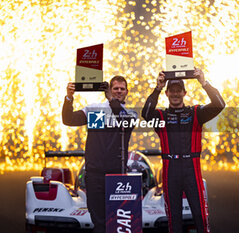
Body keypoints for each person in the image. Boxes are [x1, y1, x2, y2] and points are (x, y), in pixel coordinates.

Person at [141, 68, 225, 233]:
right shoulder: (160, 117)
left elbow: (220, 104)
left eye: (178, 91)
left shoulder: (195, 113)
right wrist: (157, 88)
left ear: (184, 92)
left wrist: (203, 82)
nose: (175, 94)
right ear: (167, 93)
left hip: (191, 167)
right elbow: (145, 113)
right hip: (170, 169)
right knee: (174, 218)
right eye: (172, 91)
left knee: (200, 216)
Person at [62, 76, 137, 233]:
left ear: (127, 92)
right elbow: (68, 120)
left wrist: (110, 99)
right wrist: (69, 97)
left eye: (122, 89)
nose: (118, 91)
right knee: (99, 222)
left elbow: (124, 119)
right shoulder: (94, 109)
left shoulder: (130, 114)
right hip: (95, 174)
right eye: (115, 88)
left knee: (118, 221)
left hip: (117, 174)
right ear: (110, 89)